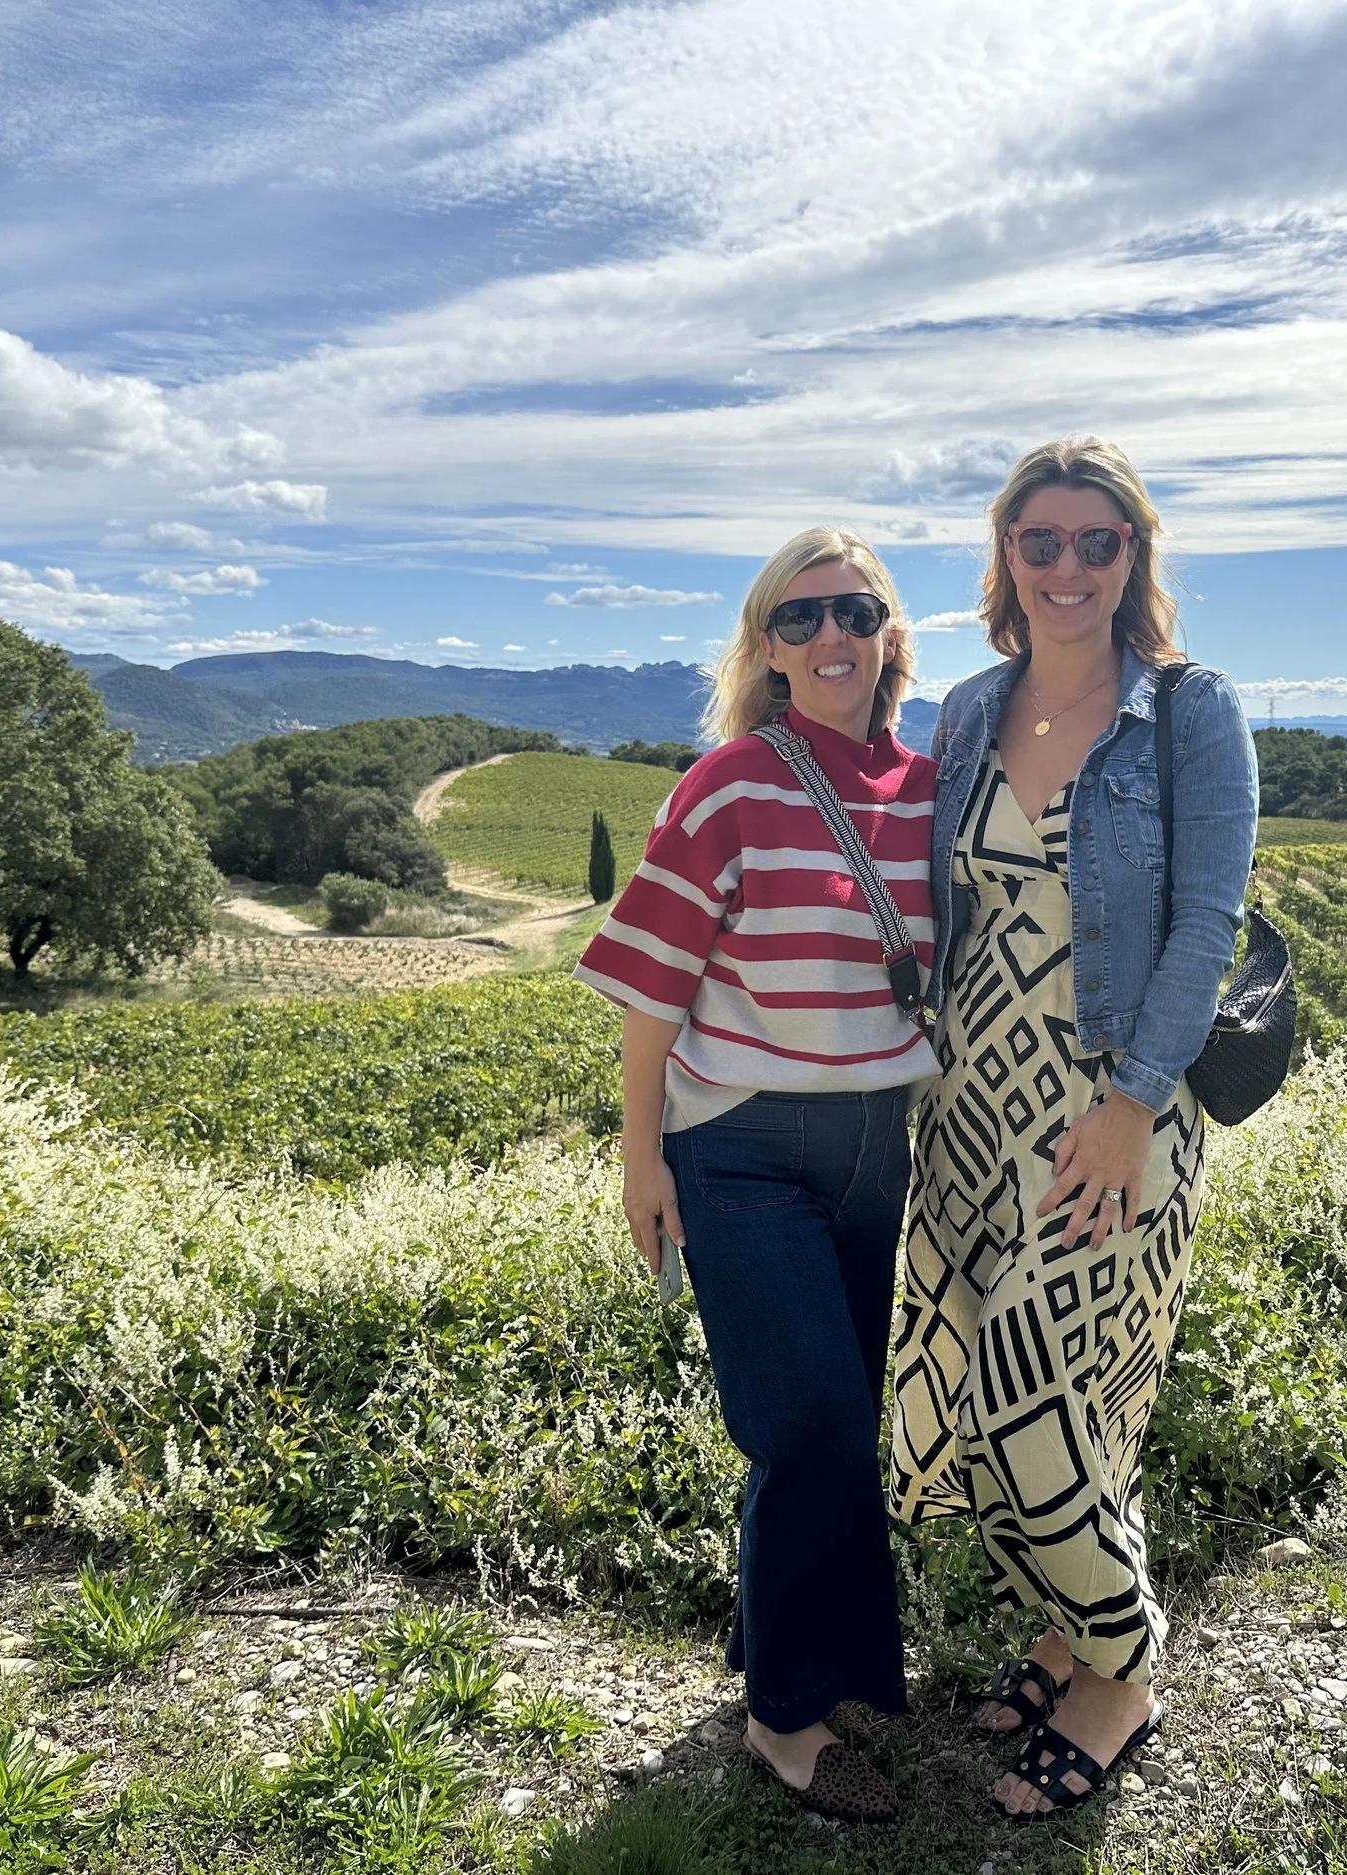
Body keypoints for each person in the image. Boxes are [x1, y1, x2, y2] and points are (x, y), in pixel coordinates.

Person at [889, 437, 1259, 1819]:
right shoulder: (971, 710)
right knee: (1002, 1407)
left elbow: (1209, 921)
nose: (1065, 567)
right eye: (1038, 541)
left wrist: (1130, 1103)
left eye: (1094, 542)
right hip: (970, 1107)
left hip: (1109, 1109)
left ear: (1133, 558)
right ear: (1004, 559)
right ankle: (1063, 1628)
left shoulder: (1188, 709)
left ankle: (1122, 1668)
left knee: (1027, 1403)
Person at [575, 527, 936, 1825]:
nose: (830, 637)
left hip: (873, 1149)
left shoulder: (930, 787)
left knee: (831, 1426)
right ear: (766, 650)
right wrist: (641, 1159)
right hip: (740, 1149)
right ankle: (786, 1719)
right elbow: (649, 992)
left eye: (855, 611)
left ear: (891, 632)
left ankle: (789, 1654)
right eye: (800, 620)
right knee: (813, 1428)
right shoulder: (730, 785)